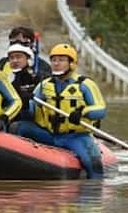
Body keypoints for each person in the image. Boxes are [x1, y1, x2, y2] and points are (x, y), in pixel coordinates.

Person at [16, 43, 107, 179]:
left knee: (92, 162)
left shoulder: (85, 85)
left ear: (71, 63)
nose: (56, 64)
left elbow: (101, 109)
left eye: (61, 60)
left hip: (75, 137)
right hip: (49, 135)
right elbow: (31, 112)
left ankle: (94, 191)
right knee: (20, 127)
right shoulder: (44, 85)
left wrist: (82, 112)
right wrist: (25, 103)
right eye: (53, 60)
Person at [0, 43, 40, 123]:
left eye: (18, 57)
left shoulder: (35, 77)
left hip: (28, 118)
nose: (15, 60)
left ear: (28, 59)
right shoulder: (3, 77)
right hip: (7, 115)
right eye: (11, 58)